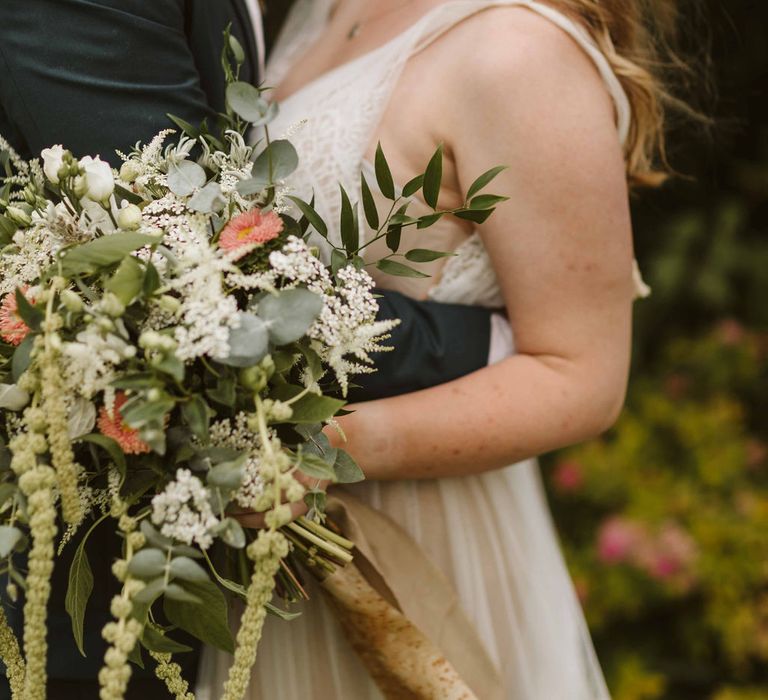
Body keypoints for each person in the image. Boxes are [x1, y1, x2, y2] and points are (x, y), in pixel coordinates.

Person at [0, 1, 498, 697]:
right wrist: (490, 339)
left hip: (325, 528)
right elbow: (184, 263)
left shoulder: (334, 18)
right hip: (92, 587)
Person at [197, 0, 668, 697]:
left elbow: (582, 376)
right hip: (266, 556)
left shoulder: (519, 49)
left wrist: (329, 450)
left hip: (421, 549)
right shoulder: (314, 15)